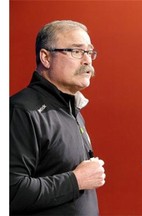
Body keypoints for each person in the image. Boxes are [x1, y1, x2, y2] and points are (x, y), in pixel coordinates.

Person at [10, 20, 106, 215]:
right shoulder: (21, 110)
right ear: (45, 57)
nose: (87, 60)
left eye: (90, 52)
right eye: (76, 51)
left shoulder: (73, 109)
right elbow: (11, 191)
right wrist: (76, 181)